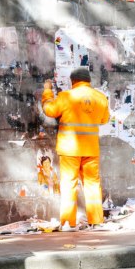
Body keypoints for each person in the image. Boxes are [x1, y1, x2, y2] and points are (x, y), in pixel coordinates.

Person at [41, 67, 110, 230]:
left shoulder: (66, 96)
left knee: (69, 185)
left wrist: (47, 91)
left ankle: (68, 222)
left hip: (69, 149)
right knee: (92, 185)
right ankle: (96, 221)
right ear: (88, 81)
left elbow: (49, 110)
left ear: (73, 81)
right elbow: (104, 119)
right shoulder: (100, 98)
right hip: (91, 149)